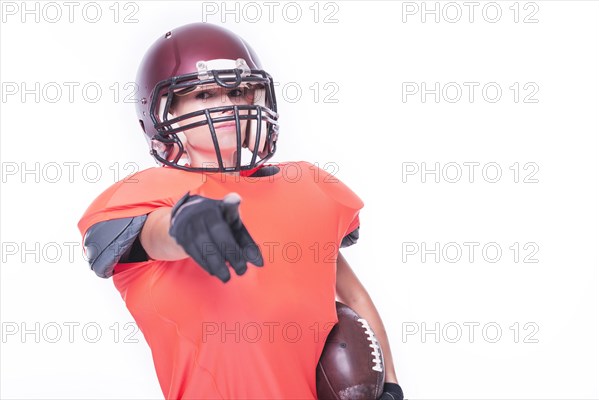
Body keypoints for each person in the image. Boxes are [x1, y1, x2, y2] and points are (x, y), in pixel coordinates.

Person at [77, 22, 404, 399]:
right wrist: (183, 224)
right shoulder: (152, 194)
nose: (226, 105)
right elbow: (154, 236)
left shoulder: (305, 184)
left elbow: (352, 297)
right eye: (203, 94)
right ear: (164, 112)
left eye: (237, 91)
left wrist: (390, 385)